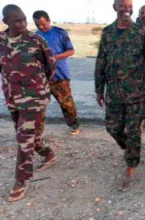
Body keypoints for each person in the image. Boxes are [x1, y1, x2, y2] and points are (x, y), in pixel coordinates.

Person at [94, 0, 145, 192]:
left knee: (133, 132)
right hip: (113, 93)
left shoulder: (141, 32)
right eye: (123, 6)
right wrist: (99, 89)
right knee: (112, 128)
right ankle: (130, 148)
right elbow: (101, 62)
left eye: (130, 6)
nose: (127, 10)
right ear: (115, 7)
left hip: (136, 94)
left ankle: (130, 167)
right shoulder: (107, 33)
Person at [0, 4, 58, 202]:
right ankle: (48, 153)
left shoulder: (35, 39)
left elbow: (51, 65)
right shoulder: (0, 41)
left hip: (34, 98)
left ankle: (21, 180)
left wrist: (38, 87)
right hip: (13, 97)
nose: (23, 23)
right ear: (6, 22)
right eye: (17, 21)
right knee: (26, 135)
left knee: (24, 138)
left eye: (24, 19)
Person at [33, 10, 81, 136]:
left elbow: (71, 51)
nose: (41, 27)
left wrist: (53, 57)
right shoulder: (35, 36)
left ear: (49, 20)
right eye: (38, 25)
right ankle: (36, 131)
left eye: (43, 24)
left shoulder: (60, 33)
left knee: (66, 103)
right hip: (42, 77)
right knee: (39, 104)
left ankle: (74, 125)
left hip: (60, 75)